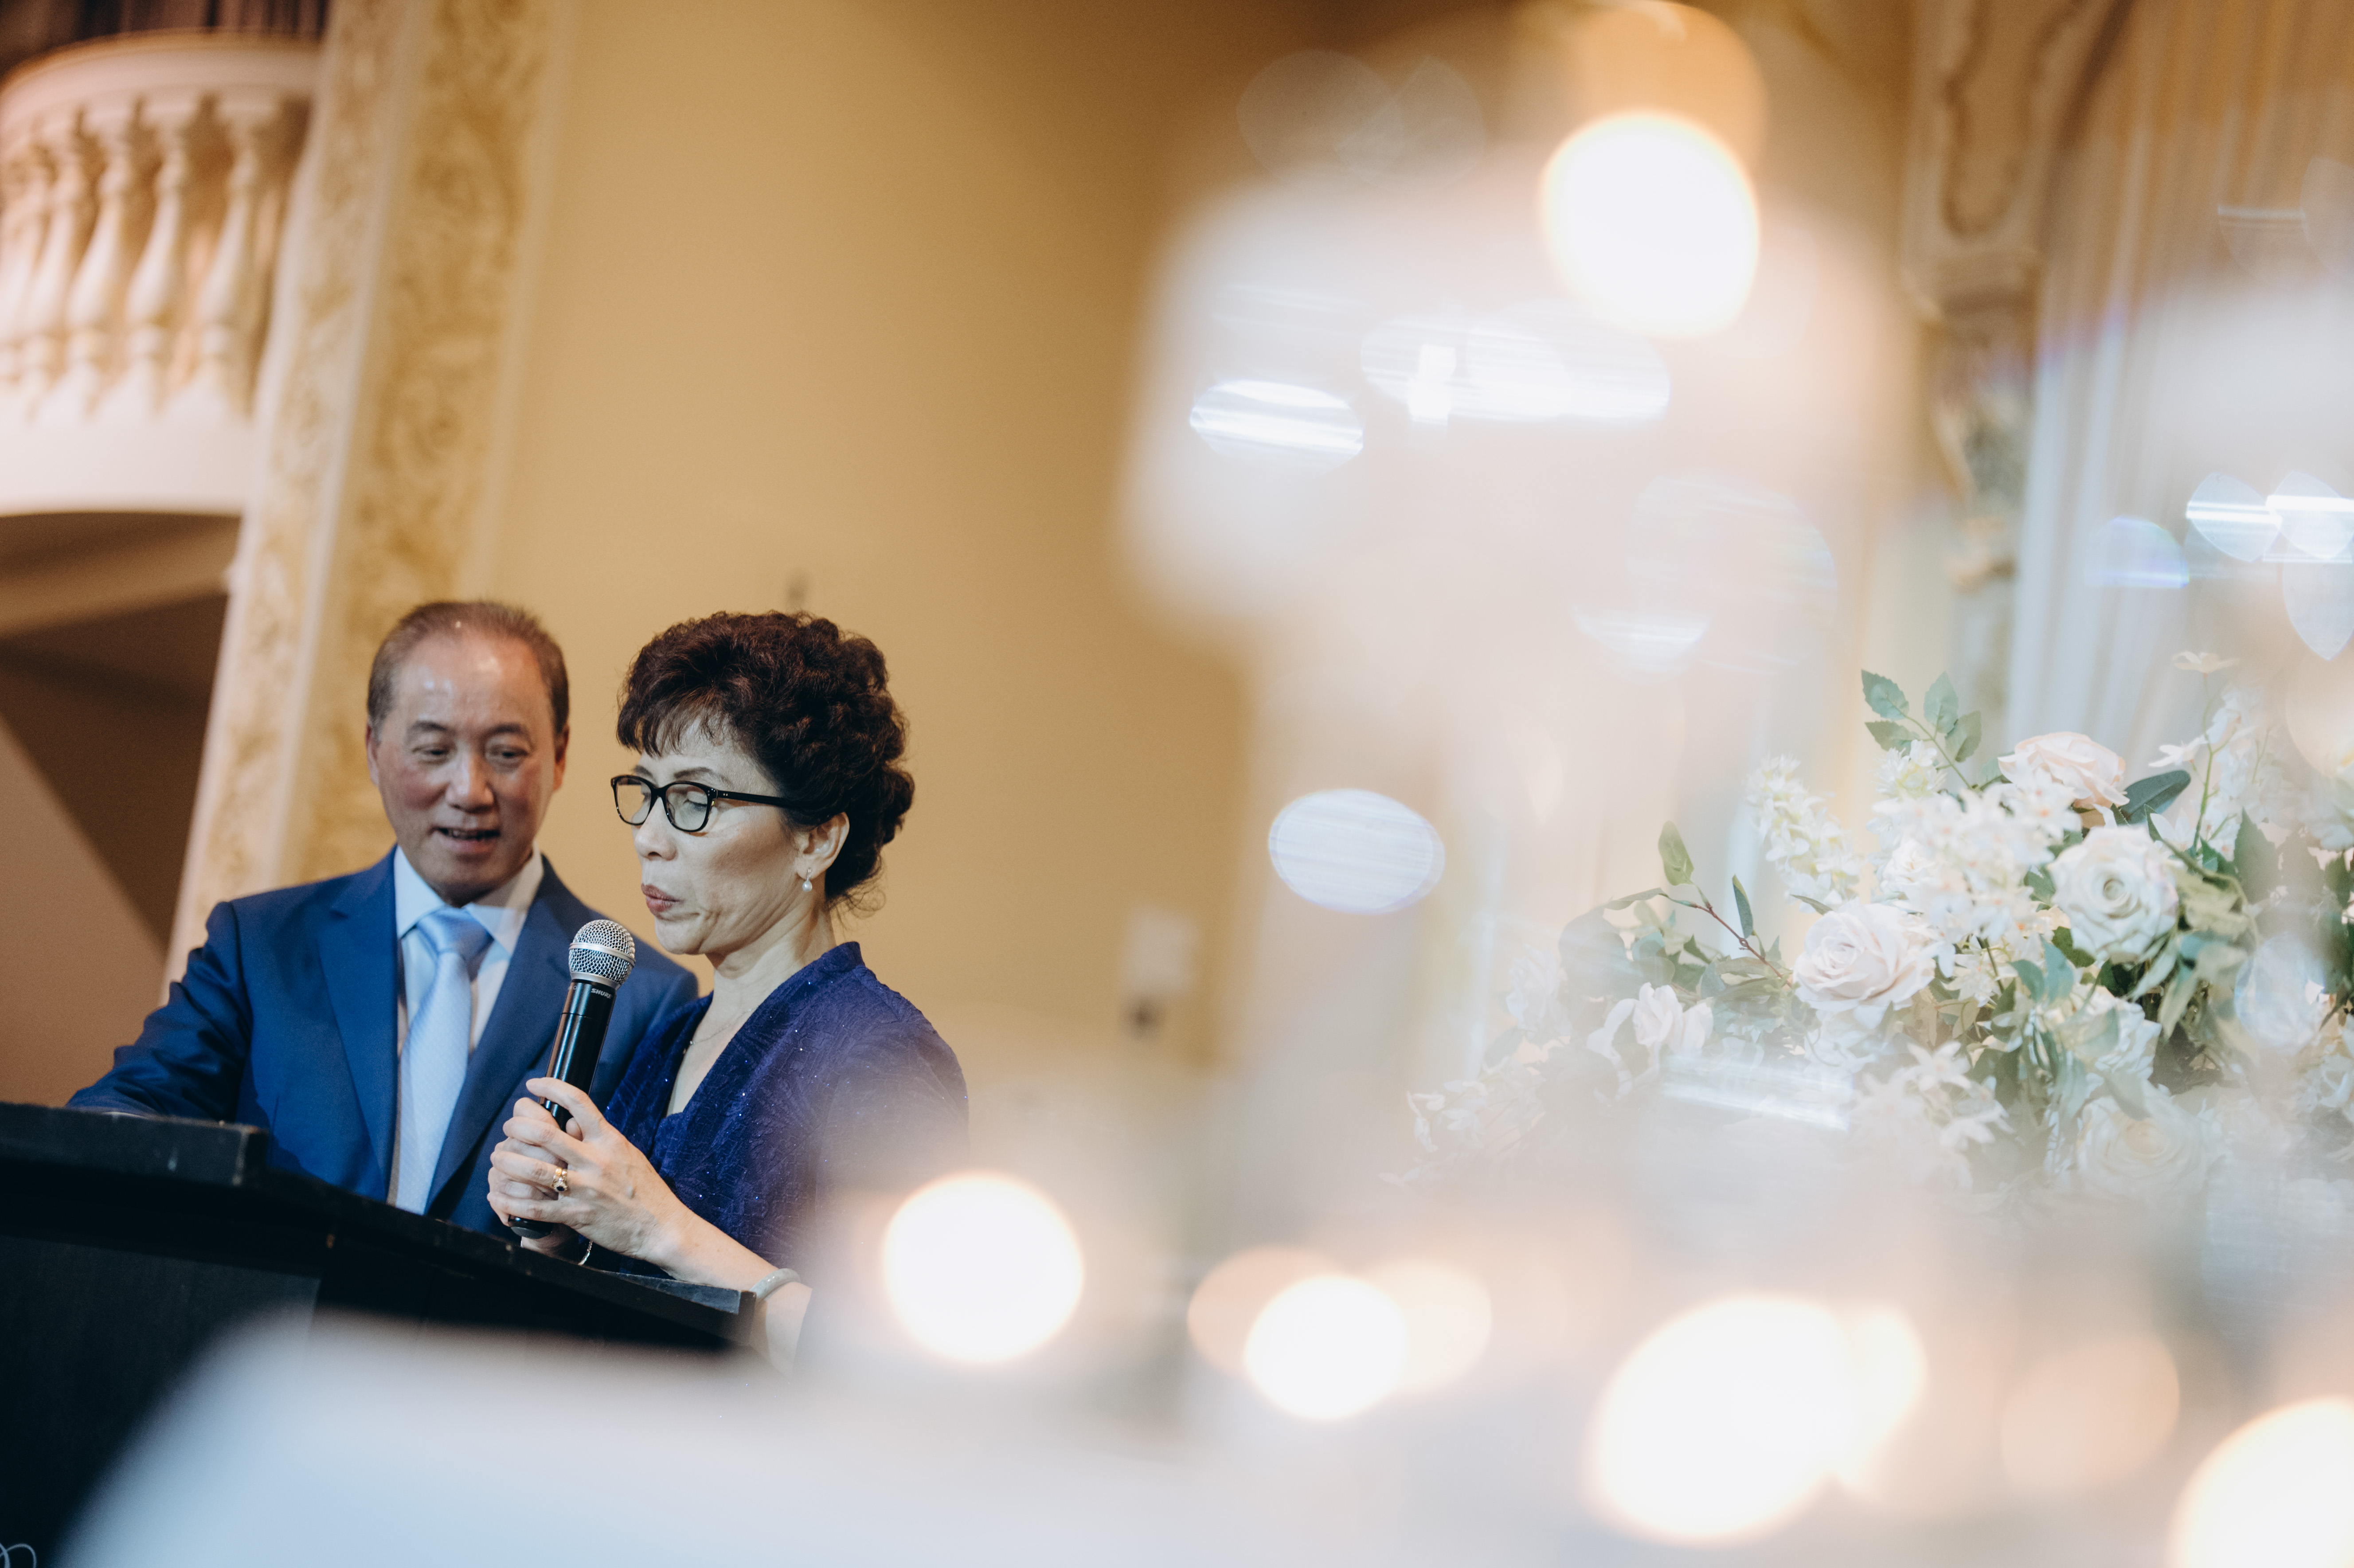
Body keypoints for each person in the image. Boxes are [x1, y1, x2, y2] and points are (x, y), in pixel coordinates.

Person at [70, 601, 697, 1233]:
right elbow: (129, 1106)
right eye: (434, 750)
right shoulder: (260, 945)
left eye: (506, 753)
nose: (469, 790)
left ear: (559, 756)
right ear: (374, 750)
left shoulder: (646, 998)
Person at [487, 611, 968, 1360]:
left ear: (816, 838)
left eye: (696, 801)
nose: (649, 837)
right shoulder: (672, 1032)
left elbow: (901, 1354)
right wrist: (563, 1230)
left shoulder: (882, 1052)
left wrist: (659, 1227)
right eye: (646, 793)